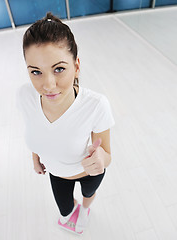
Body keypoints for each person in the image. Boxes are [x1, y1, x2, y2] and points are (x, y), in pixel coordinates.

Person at [16, 11, 115, 234]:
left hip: (88, 174)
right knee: (64, 210)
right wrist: (35, 157)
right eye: (36, 72)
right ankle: (73, 213)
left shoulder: (96, 104)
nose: (48, 84)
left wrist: (101, 159)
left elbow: (107, 155)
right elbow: (35, 129)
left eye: (59, 68)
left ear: (76, 66)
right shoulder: (24, 96)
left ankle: (86, 210)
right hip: (56, 173)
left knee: (88, 196)